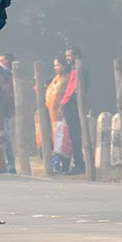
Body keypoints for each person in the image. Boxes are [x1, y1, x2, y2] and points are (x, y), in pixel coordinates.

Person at [60, 46, 87, 174]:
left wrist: (63, 103)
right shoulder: (75, 70)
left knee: (75, 137)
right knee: (74, 136)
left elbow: (71, 91)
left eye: (69, 56)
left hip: (73, 107)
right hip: (74, 106)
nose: (67, 58)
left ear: (76, 56)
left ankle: (79, 164)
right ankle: (78, 162)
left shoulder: (77, 71)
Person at [45, 55, 72, 174]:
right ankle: (56, 165)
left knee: (64, 141)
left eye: (58, 65)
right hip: (52, 115)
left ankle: (64, 166)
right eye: (54, 65)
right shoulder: (56, 78)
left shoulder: (67, 78)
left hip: (62, 114)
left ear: (65, 66)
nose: (56, 68)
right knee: (56, 140)